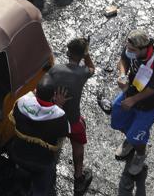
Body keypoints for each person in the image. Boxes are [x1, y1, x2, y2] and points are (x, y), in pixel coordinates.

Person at [110, 30, 154, 176]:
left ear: (144, 49)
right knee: (117, 119)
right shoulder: (131, 48)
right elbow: (123, 60)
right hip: (131, 91)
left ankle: (140, 154)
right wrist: (122, 75)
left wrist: (133, 100)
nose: (128, 51)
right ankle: (130, 141)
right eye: (128, 48)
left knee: (137, 135)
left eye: (132, 50)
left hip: (149, 104)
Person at [9, 74, 69, 195]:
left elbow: (13, 120)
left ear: (36, 92)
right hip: (41, 163)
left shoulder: (21, 103)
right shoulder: (59, 116)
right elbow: (61, 136)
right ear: (54, 96)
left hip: (18, 154)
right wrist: (59, 105)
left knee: (21, 179)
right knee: (43, 185)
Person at [48, 37, 94, 193]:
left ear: (67, 52)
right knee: (78, 145)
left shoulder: (55, 70)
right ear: (82, 55)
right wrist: (86, 54)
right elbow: (91, 67)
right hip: (73, 121)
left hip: (54, 118)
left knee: (51, 141)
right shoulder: (82, 73)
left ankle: (49, 166)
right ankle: (78, 176)